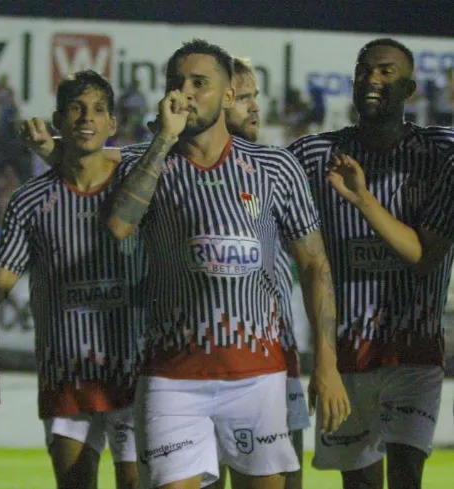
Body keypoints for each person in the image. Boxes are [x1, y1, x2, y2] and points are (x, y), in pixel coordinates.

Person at [104, 39, 350, 489]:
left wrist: (327, 365)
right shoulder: (145, 162)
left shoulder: (275, 166)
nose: (185, 92)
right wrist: (164, 139)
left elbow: (315, 265)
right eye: (176, 83)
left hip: (259, 378)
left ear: (228, 95)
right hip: (171, 378)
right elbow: (119, 226)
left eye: (200, 83)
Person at [0, 70, 146, 489]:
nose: (87, 117)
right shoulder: (30, 200)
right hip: (66, 375)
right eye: (77, 109)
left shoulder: (139, 186)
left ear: (112, 123)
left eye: (98, 110)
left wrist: (51, 148)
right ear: (59, 120)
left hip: (134, 372)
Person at [287, 38, 454, 489]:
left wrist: (363, 199)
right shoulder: (313, 155)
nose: (371, 80)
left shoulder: (441, 153)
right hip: (346, 355)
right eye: (364, 71)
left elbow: (425, 258)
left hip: (413, 349)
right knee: (358, 484)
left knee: (405, 476)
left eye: (385, 71)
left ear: (410, 89)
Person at [208, 56, 309, 489]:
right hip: (201, 363)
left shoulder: (277, 167)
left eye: (255, 96)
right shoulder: (177, 167)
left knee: (288, 480)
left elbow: (314, 260)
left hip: (277, 357)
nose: (254, 107)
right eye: (242, 97)